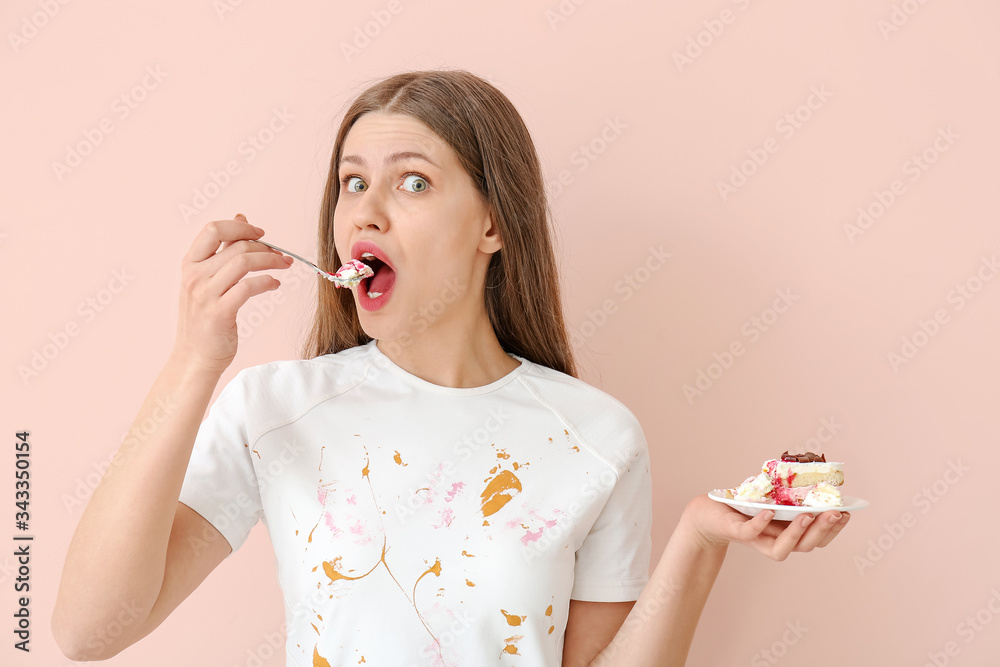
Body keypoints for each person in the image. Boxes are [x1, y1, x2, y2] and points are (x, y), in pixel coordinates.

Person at [52, 69, 850, 666]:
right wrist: (195, 360)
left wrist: (699, 541)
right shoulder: (274, 409)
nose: (365, 207)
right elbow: (88, 629)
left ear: (493, 222)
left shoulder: (597, 436)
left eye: (413, 180)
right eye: (352, 181)